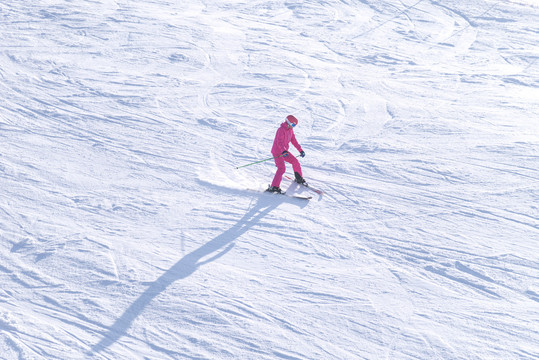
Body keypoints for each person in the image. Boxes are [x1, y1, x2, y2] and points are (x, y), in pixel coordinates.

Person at [267, 115, 307, 193]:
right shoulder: (281, 130)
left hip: (284, 152)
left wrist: (300, 150)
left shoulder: (290, 130)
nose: (293, 127)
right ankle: (274, 187)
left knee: (295, 161)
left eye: (294, 126)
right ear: (288, 122)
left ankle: (299, 178)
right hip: (277, 152)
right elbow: (279, 142)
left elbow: (294, 141)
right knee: (281, 168)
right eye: (293, 125)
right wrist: (283, 151)